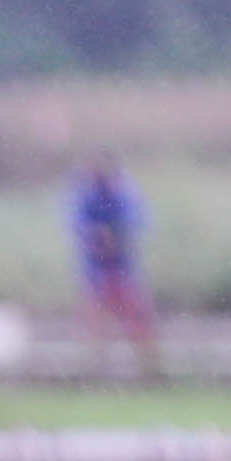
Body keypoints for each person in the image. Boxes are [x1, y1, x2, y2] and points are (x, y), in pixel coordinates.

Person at [68, 155, 157, 373]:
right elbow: (76, 224)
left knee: (135, 317)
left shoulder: (123, 194)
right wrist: (96, 236)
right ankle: (93, 366)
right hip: (97, 269)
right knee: (95, 320)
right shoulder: (85, 195)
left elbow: (138, 220)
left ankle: (146, 366)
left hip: (122, 268)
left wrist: (115, 234)